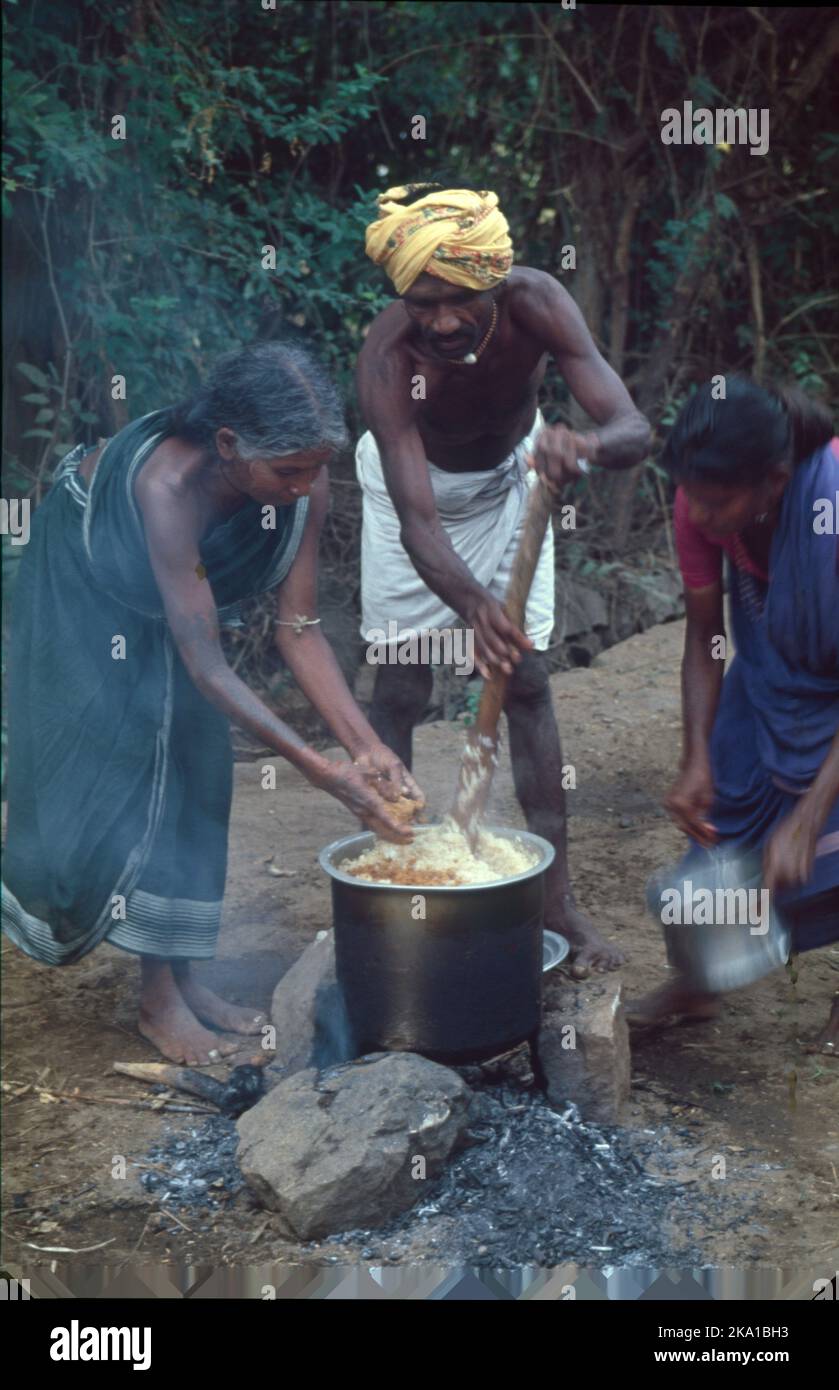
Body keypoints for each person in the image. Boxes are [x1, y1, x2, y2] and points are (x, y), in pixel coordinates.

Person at [2, 341, 423, 1065]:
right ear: (227, 444)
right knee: (136, 759)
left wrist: (365, 746)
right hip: (87, 591)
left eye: (315, 470)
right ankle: (157, 1003)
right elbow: (205, 663)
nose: (304, 487)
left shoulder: (304, 470)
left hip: (176, 606)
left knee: (199, 766)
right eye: (288, 472)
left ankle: (184, 979)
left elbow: (300, 629)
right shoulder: (166, 488)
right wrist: (318, 771)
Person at [357, 182, 650, 975]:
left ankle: (557, 906)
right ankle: (393, 883)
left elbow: (632, 429)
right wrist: (475, 605)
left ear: (490, 282)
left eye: (457, 300)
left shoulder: (537, 303)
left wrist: (580, 447)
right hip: (407, 499)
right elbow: (419, 522)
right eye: (423, 303)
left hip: (511, 487)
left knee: (525, 683)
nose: (441, 321)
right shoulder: (388, 359)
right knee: (400, 687)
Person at [630, 378, 839, 1052]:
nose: (699, 514)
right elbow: (702, 637)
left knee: (825, 847)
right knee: (719, 819)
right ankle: (697, 985)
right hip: (772, 666)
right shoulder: (700, 501)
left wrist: (807, 819)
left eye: (718, 503)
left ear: (776, 481)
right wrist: (696, 757)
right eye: (692, 495)